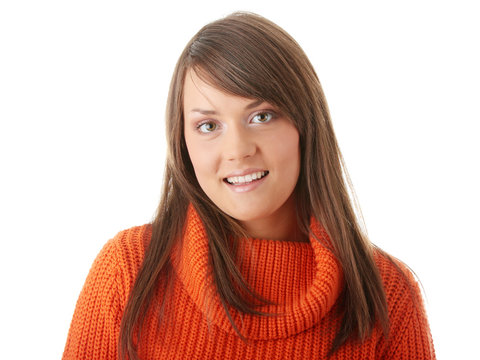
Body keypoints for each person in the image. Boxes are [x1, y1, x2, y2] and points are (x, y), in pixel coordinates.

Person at [62, 11, 436, 360]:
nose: (237, 150)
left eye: (261, 116)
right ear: (183, 143)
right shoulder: (128, 270)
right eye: (209, 126)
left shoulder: (387, 294)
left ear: (305, 125)